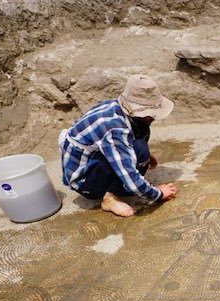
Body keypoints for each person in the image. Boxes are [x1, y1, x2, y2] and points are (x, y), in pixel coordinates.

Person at [59, 74, 178, 217]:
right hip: (84, 182)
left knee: (141, 145)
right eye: (150, 115)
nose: (152, 117)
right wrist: (158, 194)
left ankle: (113, 186)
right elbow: (129, 175)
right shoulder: (115, 130)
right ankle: (109, 198)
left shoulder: (115, 107)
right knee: (140, 151)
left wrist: (145, 157)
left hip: (90, 162)